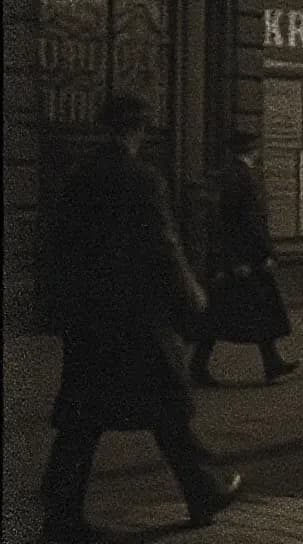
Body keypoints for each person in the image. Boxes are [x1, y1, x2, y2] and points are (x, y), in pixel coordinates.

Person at [40, 95, 241, 543]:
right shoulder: (142, 179)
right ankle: (204, 490)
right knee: (167, 406)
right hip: (137, 317)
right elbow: (163, 244)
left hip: (90, 318)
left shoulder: (78, 177)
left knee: (81, 419)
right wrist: (192, 292)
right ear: (138, 128)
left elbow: (57, 247)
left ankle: (60, 513)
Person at [190, 131, 298, 387]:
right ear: (251, 150)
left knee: (237, 312)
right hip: (245, 260)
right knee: (239, 311)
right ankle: (199, 365)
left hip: (236, 258)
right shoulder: (244, 178)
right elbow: (249, 222)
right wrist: (264, 254)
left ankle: (271, 362)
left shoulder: (230, 176)